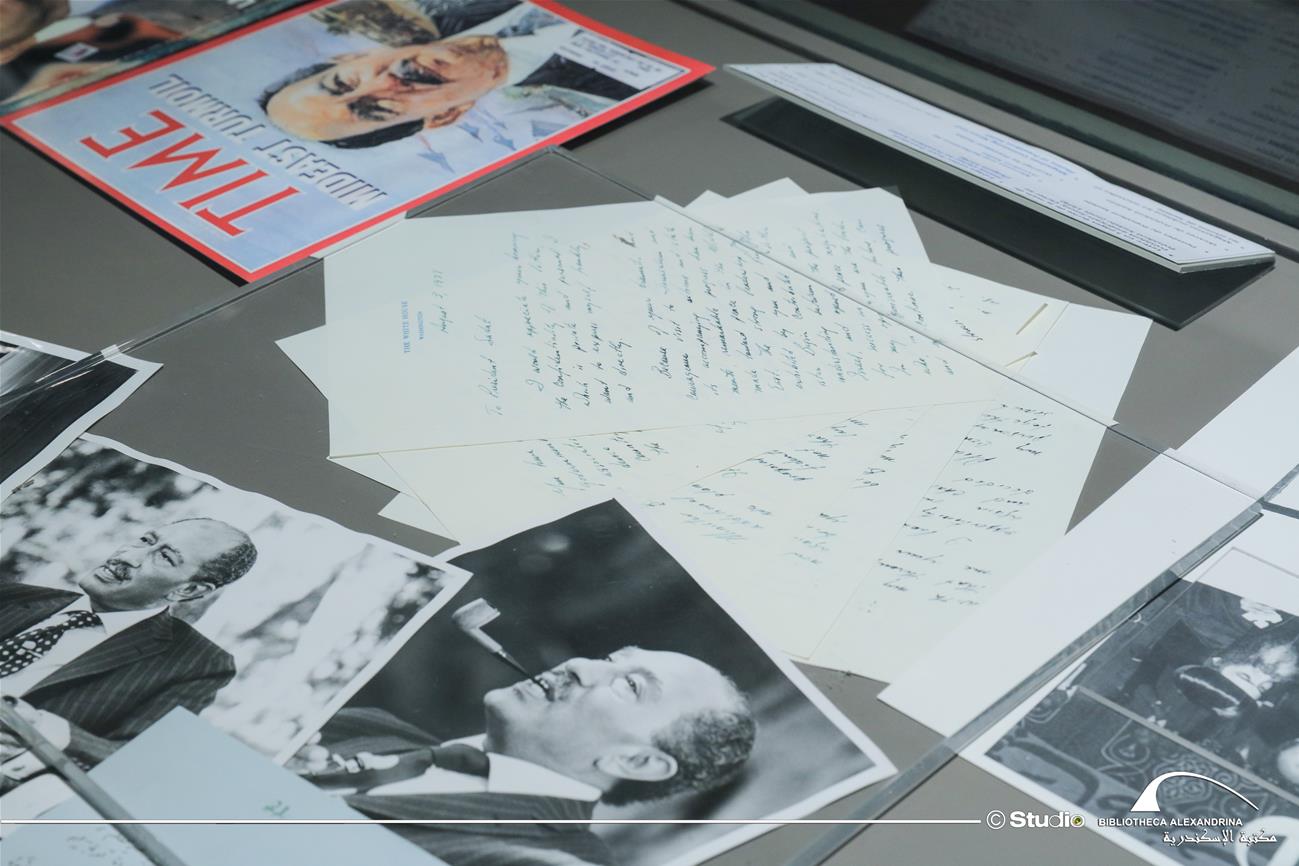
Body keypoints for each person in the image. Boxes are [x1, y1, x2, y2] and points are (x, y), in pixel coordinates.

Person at [291, 646, 757, 866]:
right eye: (611, 659)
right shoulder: (360, 724)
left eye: (629, 686)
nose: (580, 666)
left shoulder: (549, 862)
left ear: (635, 762)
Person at [0, 518, 257, 784]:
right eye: (145, 540)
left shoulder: (198, 664)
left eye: (165, 557)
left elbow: (133, 762)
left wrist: (41, 730)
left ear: (188, 589)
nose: (128, 556)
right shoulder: (9, 595)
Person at [260, 0, 634, 149]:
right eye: (376, 109)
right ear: (445, 116)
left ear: (356, 55)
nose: (388, 82)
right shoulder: (618, 91)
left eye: (343, 82)